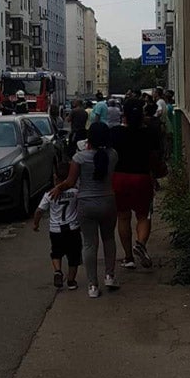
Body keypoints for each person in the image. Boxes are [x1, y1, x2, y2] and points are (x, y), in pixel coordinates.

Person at [51, 122, 118, 298]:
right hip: (108, 201)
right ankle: (110, 276)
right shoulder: (112, 155)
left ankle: (92, 285)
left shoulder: (79, 158)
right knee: (109, 239)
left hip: (86, 203)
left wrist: (59, 187)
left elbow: (71, 182)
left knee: (89, 244)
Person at [110, 100, 160, 269]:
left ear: (123, 115)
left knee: (123, 217)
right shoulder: (150, 133)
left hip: (119, 178)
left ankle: (128, 257)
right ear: (142, 115)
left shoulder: (115, 133)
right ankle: (140, 243)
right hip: (141, 178)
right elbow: (154, 157)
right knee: (143, 216)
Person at [33, 161, 81, 290]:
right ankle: (71, 281)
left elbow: (39, 211)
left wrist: (35, 224)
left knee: (56, 253)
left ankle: (58, 271)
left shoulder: (49, 195)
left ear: (55, 177)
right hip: (72, 228)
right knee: (74, 256)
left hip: (56, 230)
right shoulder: (75, 193)